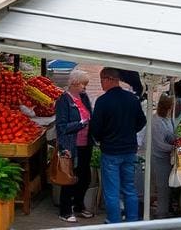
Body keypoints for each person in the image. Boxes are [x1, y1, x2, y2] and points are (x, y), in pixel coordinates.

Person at [89, 67, 147, 224]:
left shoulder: (102, 101)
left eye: (101, 81)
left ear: (108, 79)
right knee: (129, 187)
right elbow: (142, 121)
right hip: (129, 149)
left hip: (110, 151)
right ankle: (132, 220)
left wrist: (102, 138)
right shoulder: (132, 99)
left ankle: (114, 222)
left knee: (112, 190)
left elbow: (95, 127)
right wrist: (129, 132)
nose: (101, 84)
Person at [54, 69, 95, 223]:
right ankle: (65, 210)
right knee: (69, 177)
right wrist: (80, 124)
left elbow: (90, 115)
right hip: (71, 145)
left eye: (85, 85)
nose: (85, 88)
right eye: (83, 84)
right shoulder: (63, 100)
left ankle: (78, 206)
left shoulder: (83, 97)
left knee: (85, 177)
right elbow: (62, 126)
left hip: (85, 144)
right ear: (74, 83)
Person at [151, 95, 177, 219]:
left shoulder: (167, 119)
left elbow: (171, 135)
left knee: (168, 186)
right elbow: (160, 144)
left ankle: (167, 210)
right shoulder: (156, 121)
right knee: (163, 187)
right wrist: (174, 148)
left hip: (167, 157)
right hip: (160, 158)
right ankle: (161, 214)